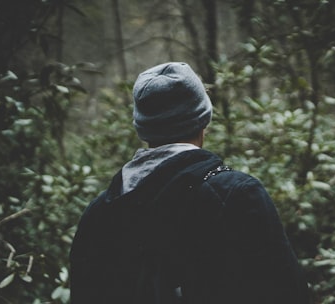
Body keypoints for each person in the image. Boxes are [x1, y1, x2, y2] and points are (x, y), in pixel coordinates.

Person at [69, 62, 309, 304]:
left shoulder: (97, 214)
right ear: (202, 121)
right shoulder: (237, 195)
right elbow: (288, 292)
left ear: (142, 128)